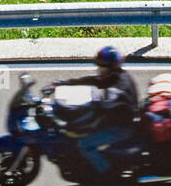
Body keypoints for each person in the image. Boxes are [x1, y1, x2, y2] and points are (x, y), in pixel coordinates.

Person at [55, 46, 139, 178]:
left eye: (101, 66)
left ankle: (108, 175)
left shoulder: (117, 89)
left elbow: (100, 108)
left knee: (84, 144)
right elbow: (94, 81)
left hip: (121, 128)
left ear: (110, 67)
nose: (98, 68)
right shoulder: (116, 75)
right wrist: (65, 83)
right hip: (117, 119)